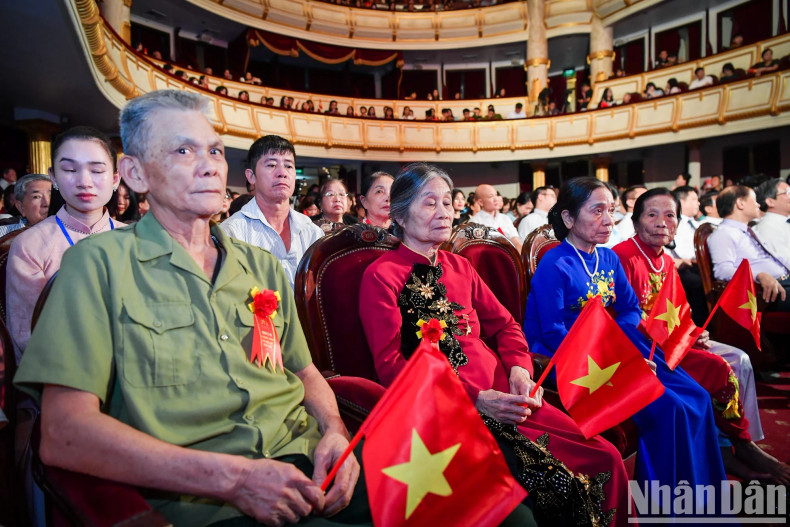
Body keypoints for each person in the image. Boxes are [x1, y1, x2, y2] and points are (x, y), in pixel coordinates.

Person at [14, 90, 367, 527]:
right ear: (136, 173)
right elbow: (64, 434)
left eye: (215, 150)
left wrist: (335, 431)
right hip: (211, 501)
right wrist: (234, 479)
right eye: (184, 150)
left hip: (312, 464)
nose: (210, 165)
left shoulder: (260, 265)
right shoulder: (97, 265)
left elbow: (304, 372)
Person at [360, 163, 632, 527]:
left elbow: (506, 326)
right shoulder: (381, 276)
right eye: (429, 204)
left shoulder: (459, 267)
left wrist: (521, 368)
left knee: (607, 457)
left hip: (510, 397)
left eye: (446, 202)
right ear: (400, 214)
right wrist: (475, 399)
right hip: (448, 412)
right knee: (557, 482)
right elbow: (392, 365)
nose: (444, 212)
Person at [524, 177, 727, 514]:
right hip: (573, 358)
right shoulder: (554, 264)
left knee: (698, 398)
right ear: (569, 218)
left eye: (612, 211)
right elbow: (553, 332)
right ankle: (664, 510)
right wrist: (615, 356)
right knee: (670, 409)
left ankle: (702, 504)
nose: (609, 220)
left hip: (611, 348)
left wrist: (619, 339)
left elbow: (631, 308)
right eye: (597, 211)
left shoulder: (608, 259)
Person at [613, 188, 789, 484]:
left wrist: (694, 331)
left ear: (678, 224)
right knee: (720, 366)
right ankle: (736, 449)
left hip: (673, 342)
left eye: (670, 216)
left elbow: (678, 311)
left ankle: (737, 446)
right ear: (635, 222)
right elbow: (626, 318)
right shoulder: (623, 257)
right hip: (645, 348)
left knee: (738, 359)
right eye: (652, 215)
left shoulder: (666, 261)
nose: (661, 223)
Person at [7, 126, 122, 361]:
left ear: (115, 178)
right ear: (53, 177)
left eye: (97, 170)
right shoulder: (30, 245)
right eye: (69, 169)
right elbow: (29, 335)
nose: (84, 182)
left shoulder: (136, 239)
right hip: (64, 372)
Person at [222, 135, 324, 290]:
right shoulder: (232, 232)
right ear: (251, 176)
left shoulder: (312, 232)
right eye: (271, 165)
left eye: (289, 166)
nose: (282, 173)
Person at [708, 185, 790, 311]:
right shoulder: (723, 233)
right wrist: (759, 275)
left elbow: (776, 258)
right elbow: (722, 271)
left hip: (784, 282)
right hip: (767, 293)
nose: (758, 205)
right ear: (740, 203)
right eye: (754, 200)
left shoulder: (748, 231)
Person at [666, 186, 709, 326]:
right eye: (694, 199)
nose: (698, 203)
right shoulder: (675, 223)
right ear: (681, 202)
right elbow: (684, 254)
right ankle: (700, 325)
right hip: (681, 267)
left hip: (697, 265)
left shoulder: (695, 223)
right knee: (697, 283)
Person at [470, 184, 521, 252]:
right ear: (481, 202)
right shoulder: (474, 222)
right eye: (491, 196)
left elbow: (515, 240)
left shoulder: (505, 218)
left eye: (496, 195)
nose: (496, 199)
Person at [753, 178, 790, 267]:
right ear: (770, 202)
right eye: (787, 192)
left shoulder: (782, 222)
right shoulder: (768, 227)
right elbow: (784, 262)